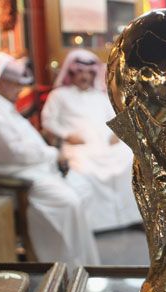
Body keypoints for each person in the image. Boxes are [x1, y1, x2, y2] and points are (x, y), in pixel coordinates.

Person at [0, 52, 99, 268]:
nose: (19, 90)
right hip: (1, 178)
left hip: (15, 168)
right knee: (67, 201)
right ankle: (61, 268)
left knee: (82, 187)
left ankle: (83, 265)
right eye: (14, 84)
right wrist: (53, 154)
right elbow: (14, 152)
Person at [41, 49, 141, 231]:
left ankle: (130, 218)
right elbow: (48, 121)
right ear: (71, 73)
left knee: (130, 160)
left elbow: (115, 119)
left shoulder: (101, 96)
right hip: (79, 145)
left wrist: (115, 134)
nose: (84, 76)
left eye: (88, 72)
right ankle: (96, 224)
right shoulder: (59, 96)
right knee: (85, 169)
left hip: (106, 143)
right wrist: (66, 135)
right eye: (79, 72)